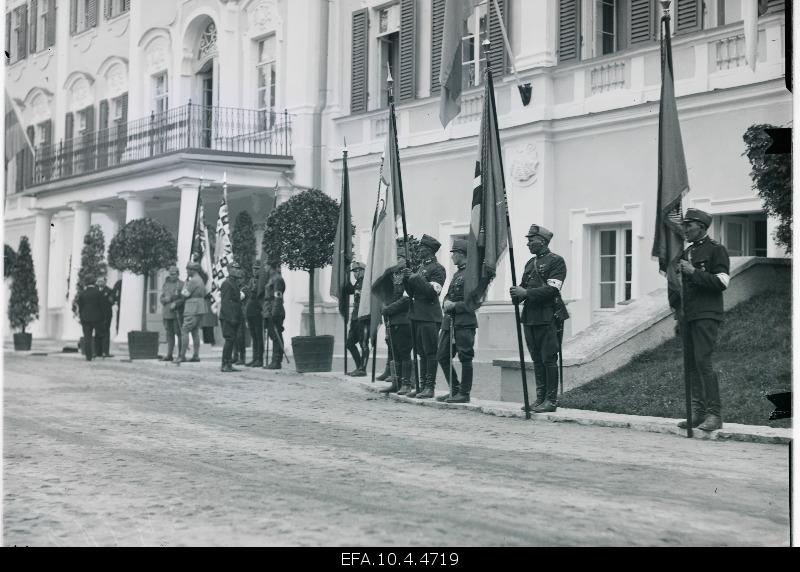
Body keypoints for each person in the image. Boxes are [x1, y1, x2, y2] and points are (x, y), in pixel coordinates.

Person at [674, 208, 730, 432]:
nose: (685, 229)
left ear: (702, 227)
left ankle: (714, 415)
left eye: (689, 225)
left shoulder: (717, 250)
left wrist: (692, 272)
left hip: (707, 314)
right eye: (684, 225)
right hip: (688, 315)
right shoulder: (687, 252)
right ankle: (697, 413)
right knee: (691, 365)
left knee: (703, 362)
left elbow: (722, 282)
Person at [510, 225, 567, 413]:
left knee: (548, 358)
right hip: (530, 317)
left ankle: (551, 400)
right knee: (536, 359)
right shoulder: (529, 264)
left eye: (531, 240)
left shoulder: (556, 261)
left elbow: (553, 289)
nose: (527, 244)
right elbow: (523, 288)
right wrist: (517, 294)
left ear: (541, 241)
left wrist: (526, 292)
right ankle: (540, 398)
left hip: (548, 316)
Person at [403, 234, 446, 399]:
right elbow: (412, 293)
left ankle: (430, 387)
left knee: (430, 352)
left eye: (421, 248)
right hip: (417, 315)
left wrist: (415, 278)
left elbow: (431, 292)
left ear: (429, 250)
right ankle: (421, 386)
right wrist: (408, 279)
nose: (419, 250)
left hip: (430, 316)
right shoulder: (421, 268)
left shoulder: (438, 269)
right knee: (420, 352)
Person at [436, 238, 478, 403]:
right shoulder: (457, 274)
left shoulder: (471, 274)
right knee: (442, 355)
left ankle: (464, 393)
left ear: (461, 254)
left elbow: (474, 301)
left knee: (465, 357)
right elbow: (449, 294)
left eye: (454, 253)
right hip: (450, 322)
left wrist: (455, 305)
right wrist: (446, 302)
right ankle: (454, 389)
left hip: (464, 322)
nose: (452, 256)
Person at [380, 248, 413, 394]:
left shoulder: (409, 275)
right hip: (392, 320)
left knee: (404, 352)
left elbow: (406, 299)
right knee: (394, 352)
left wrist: (388, 309)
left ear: (406, 260)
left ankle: (406, 383)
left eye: (400, 257)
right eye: (396, 257)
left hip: (405, 319)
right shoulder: (392, 276)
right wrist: (383, 306)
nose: (397, 260)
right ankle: (396, 382)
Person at [175, 261, 209, 364]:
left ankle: (182, 356)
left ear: (192, 270)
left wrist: (185, 285)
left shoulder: (193, 281)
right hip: (199, 307)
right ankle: (196, 355)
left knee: (184, 330)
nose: (187, 271)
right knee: (195, 332)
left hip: (192, 307)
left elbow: (184, 294)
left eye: (188, 270)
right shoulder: (200, 280)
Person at [344, 262, 370, 377]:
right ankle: (359, 367)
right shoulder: (359, 282)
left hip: (364, 317)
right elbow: (349, 290)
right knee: (349, 343)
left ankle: (362, 369)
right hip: (355, 317)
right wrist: (344, 276)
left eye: (356, 271)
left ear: (363, 271)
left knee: (363, 343)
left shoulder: (367, 282)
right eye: (354, 272)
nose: (355, 274)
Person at [220, 263, 245, 372]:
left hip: (234, 315)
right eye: (235, 269)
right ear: (230, 270)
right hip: (228, 317)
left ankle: (228, 363)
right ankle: (225, 364)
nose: (238, 271)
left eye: (238, 268)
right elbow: (225, 303)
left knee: (231, 340)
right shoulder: (227, 283)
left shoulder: (233, 283)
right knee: (229, 339)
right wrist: (231, 318)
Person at [261, 260, 286, 369]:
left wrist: (274, 312)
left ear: (271, 266)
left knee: (277, 336)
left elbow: (278, 297)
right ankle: (274, 360)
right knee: (273, 335)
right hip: (269, 309)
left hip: (275, 310)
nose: (265, 268)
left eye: (266, 265)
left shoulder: (277, 280)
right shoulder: (271, 279)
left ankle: (276, 361)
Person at [76, 275, 105, 361]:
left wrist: (81, 317)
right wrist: (103, 317)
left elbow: (80, 307)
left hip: (85, 318)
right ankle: (99, 352)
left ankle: (88, 356)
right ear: (94, 282)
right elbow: (102, 306)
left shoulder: (82, 293)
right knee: (100, 335)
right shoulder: (98, 293)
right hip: (97, 318)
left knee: (87, 337)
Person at [159, 265, 184, 362]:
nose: (171, 276)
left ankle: (180, 354)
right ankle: (169, 354)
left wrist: (176, 303)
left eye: (174, 274)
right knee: (169, 334)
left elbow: (183, 299)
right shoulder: (165, 284)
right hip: (166, 312)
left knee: (179, 334)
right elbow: (161, 297)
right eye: (170, 274)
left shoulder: (181, 284)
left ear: (178, 274)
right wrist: (163, 299)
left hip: (176, 313)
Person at [244, 260, 265, 367]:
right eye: (254, 268)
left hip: (258, 311)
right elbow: (248, 294)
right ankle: (254, 358)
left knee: (258, 335)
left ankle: (259, 359)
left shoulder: (262, 281)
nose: (254, 271)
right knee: (253, 336)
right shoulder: (251, 280)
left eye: (257, 269)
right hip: (250, 311)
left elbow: (259, 296)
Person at [94, 275, 115, 358]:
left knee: (106, 333)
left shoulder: (109, 290)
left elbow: (112, 301)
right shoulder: (95, 290)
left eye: (101, 281)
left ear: (105, 282)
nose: (99, 283)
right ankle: (97, 351)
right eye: (98, 281)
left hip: (106, 316)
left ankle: (105, 352)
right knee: (97, 333)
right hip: (97, 316)